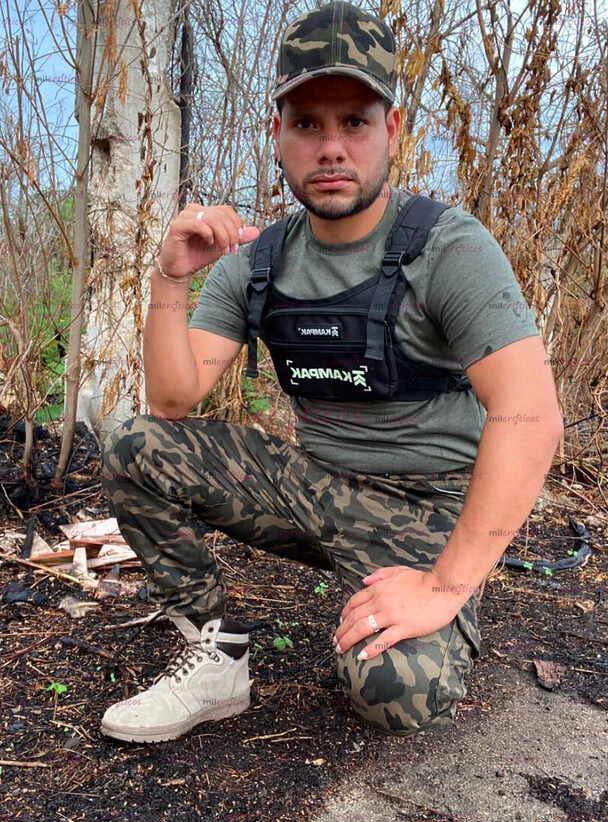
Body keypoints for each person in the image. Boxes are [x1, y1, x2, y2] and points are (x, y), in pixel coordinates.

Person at [99, 1, 563, 743]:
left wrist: (445, 586)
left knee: (393, 696)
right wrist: (170, 280)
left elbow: (530, 416)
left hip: (427, 510)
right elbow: (173, 401)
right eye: (308, 124)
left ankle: (434, 603)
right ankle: (214, 660)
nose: (332, 148)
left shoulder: (449, 248)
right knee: (132, 442)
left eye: (355, 122)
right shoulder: (258, 262)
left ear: (393, 131)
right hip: (311, 487)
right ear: (277, 135)